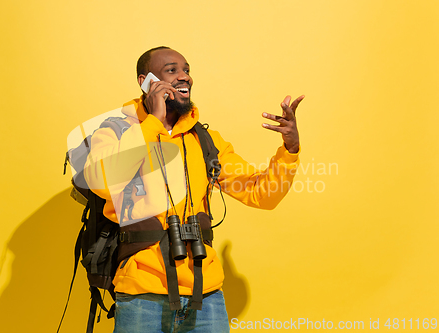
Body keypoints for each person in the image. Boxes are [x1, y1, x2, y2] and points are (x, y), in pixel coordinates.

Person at [84, 46, 304, 333]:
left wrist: (290, 149)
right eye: (172, 70)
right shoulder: (115, 131)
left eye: (186, 70)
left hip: (206, 296)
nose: (184, 77)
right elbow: (103, 180)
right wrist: (153, 122)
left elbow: (261, 193)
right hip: (141, 295)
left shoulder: (206, 141)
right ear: (145, 81)